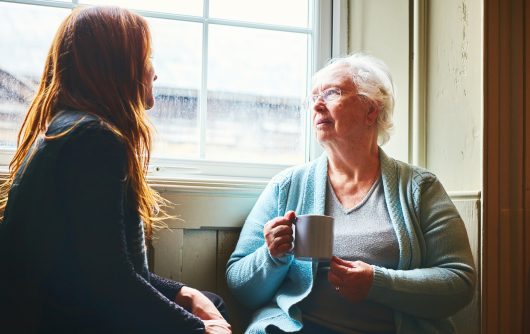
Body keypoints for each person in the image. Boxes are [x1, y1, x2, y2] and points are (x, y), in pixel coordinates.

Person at [0, 6, 231, 334]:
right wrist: (196, 329)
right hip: (57, 320)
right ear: (121, 66)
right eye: (148, 57)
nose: (154, 72)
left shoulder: (69, 130)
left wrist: (184, 293)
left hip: (61, 307)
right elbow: (110, 281)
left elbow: (106, 265)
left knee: (207, 301)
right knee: (212, 317)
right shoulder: (94, 140)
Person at [225, 53, 476, 333]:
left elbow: (459, 282)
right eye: (314, 98)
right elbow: (240, 286)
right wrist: (272, 256)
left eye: (332, 93)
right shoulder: (287, 185)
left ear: (372, 110)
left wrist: (378, 283)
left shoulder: (419, 188)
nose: (317, 105)